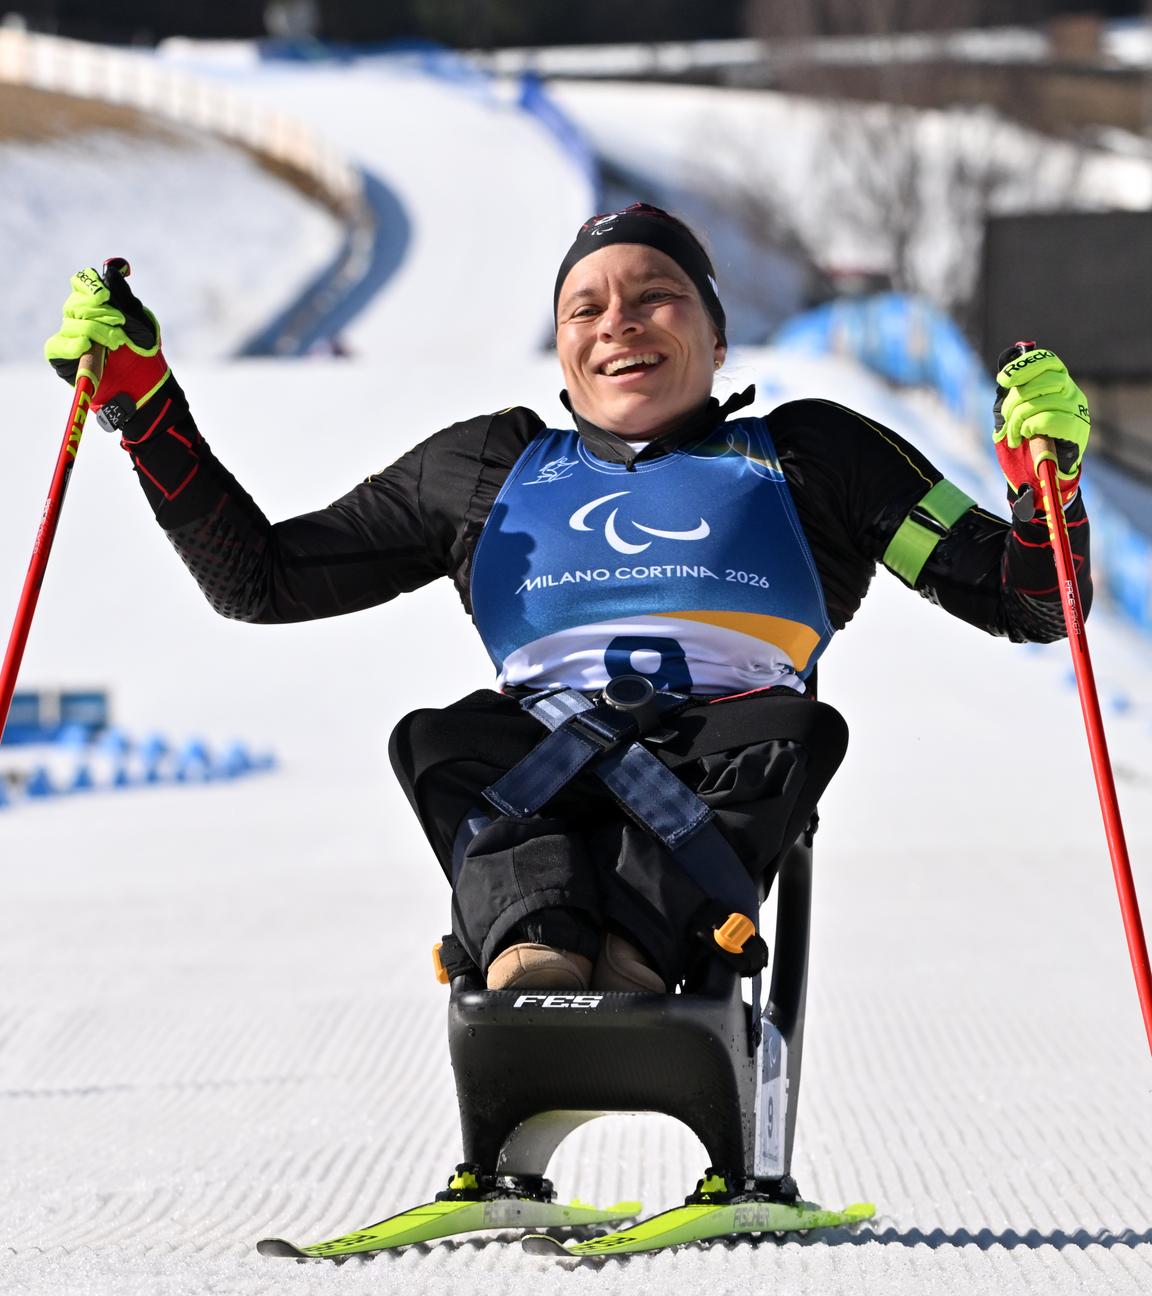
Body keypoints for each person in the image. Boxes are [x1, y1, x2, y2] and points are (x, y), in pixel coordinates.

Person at [44, 204, 1092, 999]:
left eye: (655, 297)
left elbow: (1029, 602)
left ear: (718, 336)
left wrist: (1046, 492)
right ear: (561, 351)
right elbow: (259, 581)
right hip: (538, 758)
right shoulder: (489, 469)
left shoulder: (815, 457)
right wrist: (146, 410)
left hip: (723, 750)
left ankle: (641, 959)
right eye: (584, 308)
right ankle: (534, 954)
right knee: (438, 739)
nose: (618, 325)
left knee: (796, 731)